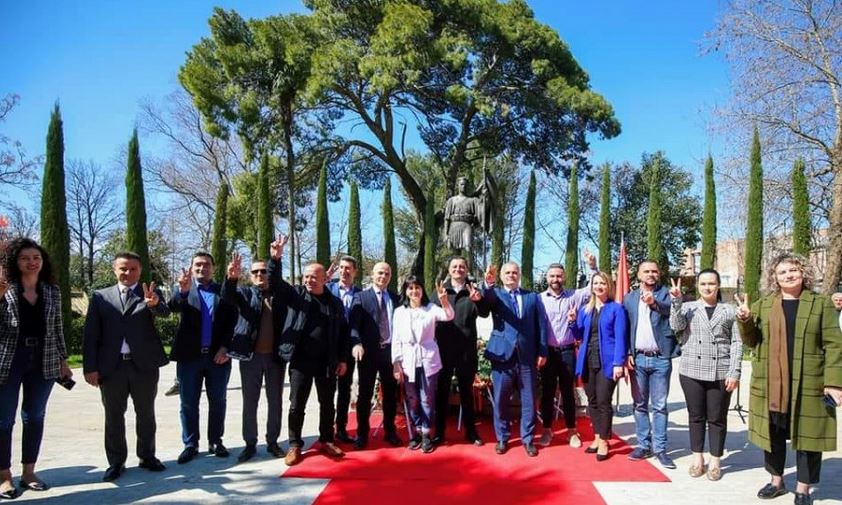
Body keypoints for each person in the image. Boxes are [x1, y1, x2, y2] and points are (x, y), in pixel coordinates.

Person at [735, 253, 842, 505]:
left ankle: (803, 489)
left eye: (793, 270)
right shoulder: (763, 305)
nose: (788, 275)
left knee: (808, 436)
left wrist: (834, 382)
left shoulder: (820, 304)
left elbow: (834, 345)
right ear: (775, 277)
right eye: (782, 272)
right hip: (771, 383)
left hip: (809, 382)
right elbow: (752, 341)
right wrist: (745, 320)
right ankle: (777, 482)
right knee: (772, 434)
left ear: (803, 272)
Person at [82, 251, 170, 481]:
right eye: (123, 268)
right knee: (113, 416)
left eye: (133, 269)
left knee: (146, 413)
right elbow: (91, 335)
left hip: (144, 366)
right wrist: (90, 368)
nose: (128, 273)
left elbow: (165, 313)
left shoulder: (150, 293)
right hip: (112, 368)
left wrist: (154, 304)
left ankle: (147, 456)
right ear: (114, 269)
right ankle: (116, 462)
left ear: (140, 271)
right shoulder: (100, 297)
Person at [268, 235, 350, 466]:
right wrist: (275, 259)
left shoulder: (334, 303)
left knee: (327, 404)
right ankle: (295, 445)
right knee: (297, 405)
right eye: (306, 276)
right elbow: (275, 283)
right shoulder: (295, 295)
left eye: (314, 276)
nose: (309, 280)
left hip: (327, 362)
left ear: (325, 278)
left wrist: (342, 359)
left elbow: (343, 333)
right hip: (300, 361)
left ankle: (327, 440)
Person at [0, 238, 72, 498]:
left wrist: (63, 359)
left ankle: (29, 472)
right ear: (15, 262)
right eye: (25, 258)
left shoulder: (51, 290)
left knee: (34, 416)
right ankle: (4, 476)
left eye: (36, 258)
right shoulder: (5, 288)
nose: (31, 262)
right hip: (8, 359)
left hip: (44, 358)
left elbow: (57, 327)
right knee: (3, 420)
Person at [669, 269, 742, 481]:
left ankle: (715, 460)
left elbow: (737, 343)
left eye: (711, 283)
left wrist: (735, 371)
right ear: (697, 286)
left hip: (720, 371)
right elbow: (676, 326)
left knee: (717, 418)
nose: (707, 287)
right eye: (703, 284)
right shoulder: (689, 307)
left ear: (718, 285)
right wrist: (676, 302)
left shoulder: (729, 310)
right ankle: (698, 458)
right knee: (696, 416)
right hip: (691, 370)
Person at [168, 252, 237, 464]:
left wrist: (225, 348)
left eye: (206, 264)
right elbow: (172, 307)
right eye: (197, 264)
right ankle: (190, 444)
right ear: (191, 267)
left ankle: (215, 441)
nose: (202, 268)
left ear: (213, 268)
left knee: (218, 401)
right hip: (190, 358)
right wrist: (183, 291)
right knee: (188, 403)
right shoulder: (184, 289)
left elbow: (232, 321)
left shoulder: (222, 291)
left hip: (218, 358)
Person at [222, 253, 286, 462]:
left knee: (275, 401)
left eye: (264, 271)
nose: (260, 274)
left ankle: (272, 442)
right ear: (250, 275)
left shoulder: (279, 295)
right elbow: (227, 297)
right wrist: (231, 279)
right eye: (255, 271)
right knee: (250, 402)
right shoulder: (245, 293)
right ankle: (250, 444)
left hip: (275, 358)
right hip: (250, 358)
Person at [482, 262, 548, 457]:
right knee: (501, 399)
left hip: (527, 356)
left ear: (519, 275)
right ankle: (503, 437)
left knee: (529, 400)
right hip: (502, 356)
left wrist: (543, 351)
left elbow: (541, 325)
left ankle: (528, 439)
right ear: (502, 276)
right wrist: (488, 284)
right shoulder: (496, 294)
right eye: (508, 273)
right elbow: (486, 301)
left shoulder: (532, 296)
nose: (511, 275)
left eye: (514, 272)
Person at [537, 252, 598, 448]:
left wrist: (592, 267)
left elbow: (592, 288)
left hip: (567, 352)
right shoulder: (539, 299)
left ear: (564, 277)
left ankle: (572, 431)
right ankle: (547, 430)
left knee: (568, 392)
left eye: (559, 276)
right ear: (547, 278)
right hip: (547, 352)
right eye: (552, 276)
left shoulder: (574, 296)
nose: (555, 279)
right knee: (547, 393)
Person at [624, 260, 678, 469]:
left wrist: (654, 303)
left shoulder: (667, 294)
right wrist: (628, 353)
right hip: (637, 358)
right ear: (638, 275)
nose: (650, 274)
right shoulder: (629, 298)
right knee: (639, 404)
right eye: (646, 271)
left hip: (660, 358)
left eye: (654, 271)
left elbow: (673, 312)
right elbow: (626, 327)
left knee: (660, 406)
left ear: (659, 273)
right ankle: (643, 445)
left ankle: (660, 449)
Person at [391, 276, 454, 453]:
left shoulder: (431, 308)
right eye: (410, 288)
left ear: (422, 290)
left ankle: (426, 433)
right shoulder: (399, 312)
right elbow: (396, 338)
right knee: (412, 398)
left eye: (417, 288)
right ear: (405, 291)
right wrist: (396, 363)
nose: (414, 291)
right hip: (408, 359)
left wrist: (444, 301)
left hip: (428, 358)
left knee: (427, 398)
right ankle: (417, 431)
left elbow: (449, 316)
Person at [570, 272, 627, 461]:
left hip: (607, 362)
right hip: (587, 360)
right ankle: (596, 436)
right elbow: (578, 335)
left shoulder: (616, 309)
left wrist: (619, 363)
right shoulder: (585, 309)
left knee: (603, 401)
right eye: (595, 283)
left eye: (602, 283)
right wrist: (572, 322)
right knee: (592, 400)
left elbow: (621, 338)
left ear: (608, 286)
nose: (599, 286)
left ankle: (604, 440)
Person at [433, 256, 489, 447]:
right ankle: (439, 433)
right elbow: (428, 314)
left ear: (466, 269)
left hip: (466, 350)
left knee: (467, 393)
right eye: (455, 266)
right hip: (443, 350)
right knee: (442, 393)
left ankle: (471, 432)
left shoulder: (472, 289)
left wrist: (479, 300)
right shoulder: (440, 290)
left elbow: (484, 313)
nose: (458, 269)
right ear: (449, 270)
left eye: (462, 266)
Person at [348, 262, 402, 449]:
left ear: (390, 276)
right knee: (365, 394)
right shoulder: (361, 297)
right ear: (372, 274)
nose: (383, 276)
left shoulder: (396, 298)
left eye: (387, 273)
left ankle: (390, 431)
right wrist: (356, 343)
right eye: (380, 273)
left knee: (390, 394)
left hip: (389, 352)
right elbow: (354, 325)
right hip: (368, 353)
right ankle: (362, 434)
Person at [327, 255, 363, 444]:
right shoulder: (327, 289)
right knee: (326, 391)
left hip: (348, 348)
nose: (344, 271)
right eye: (342, 267)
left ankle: (341, 428)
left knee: (344, 390)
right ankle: (326, 430)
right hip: (328, 348)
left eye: (348, 268)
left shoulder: (360, 294)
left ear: (354, 271)